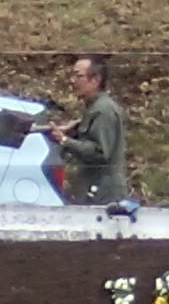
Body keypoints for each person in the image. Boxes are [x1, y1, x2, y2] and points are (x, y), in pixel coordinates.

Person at [51, 56, 131, 208]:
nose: (72, 81)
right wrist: (72, 131)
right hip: (93, 191)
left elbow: (99, 153)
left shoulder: (103, 110)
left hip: (102, 196)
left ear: (96, 79)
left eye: (79, 76)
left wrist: (65, 141)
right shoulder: (94, 108)